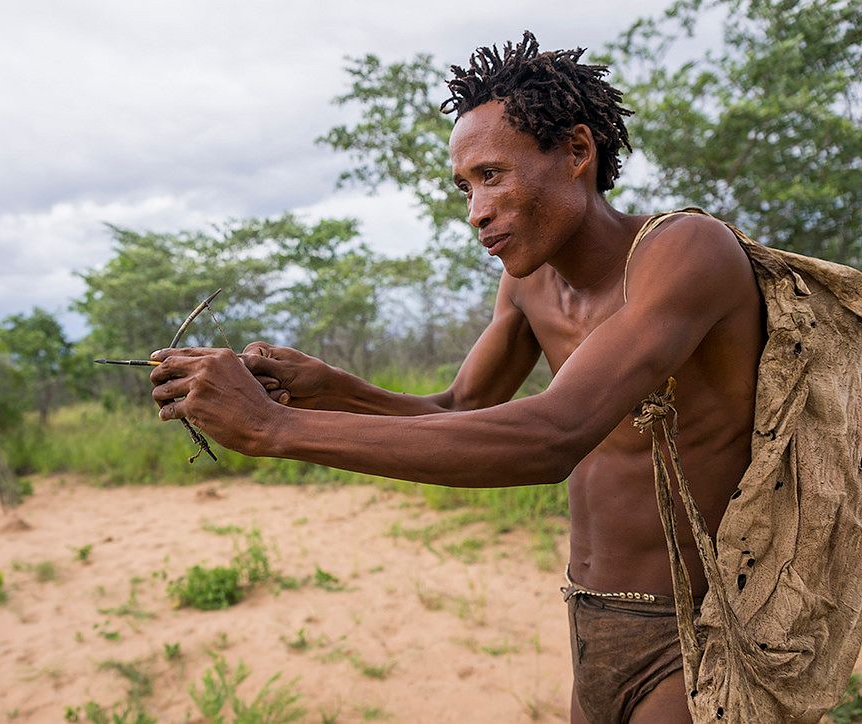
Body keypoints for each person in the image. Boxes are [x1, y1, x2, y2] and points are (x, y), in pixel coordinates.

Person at [149, 33, 770, 723]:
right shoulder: (529, 286)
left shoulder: (685, 251)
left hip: (695, 629)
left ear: (577, 152)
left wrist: (274, 428)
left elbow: (553, 436)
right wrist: (331, 388)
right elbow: (460, 407)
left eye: (492, 175)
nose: (475, 212)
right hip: (590, 619)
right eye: (465, 188)